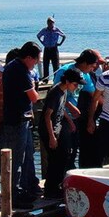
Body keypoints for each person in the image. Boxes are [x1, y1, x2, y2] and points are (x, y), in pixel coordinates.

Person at [2, 41, 43, 207]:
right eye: (35, 60)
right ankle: (14, 195)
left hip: (20, 117)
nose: (36, 63)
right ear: (28, 57)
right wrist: (34, 87)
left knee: (25, 155)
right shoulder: (20, 70)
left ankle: (22, 189)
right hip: (17, 119)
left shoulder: (13, 66)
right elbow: (34, 97)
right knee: (17, 158)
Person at [53, 49, 104, 168]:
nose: (93, 69)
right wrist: (70, 106)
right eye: (91, 66)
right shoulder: (64, 71)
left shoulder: (85, 75)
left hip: (75, 117)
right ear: (85, 63)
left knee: (74, 149)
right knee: (64, 151)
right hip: (62, 115)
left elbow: (95, 96)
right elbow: (56, 93)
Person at [39, 68, 85, 198]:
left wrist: (70, 121)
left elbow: (61, 107)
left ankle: (56, 186)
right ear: (67, 81)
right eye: (75, 84)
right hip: (48, 130)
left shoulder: (64, 91)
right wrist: (52, 137)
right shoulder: (55, 92)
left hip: (58, 128)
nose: (76, 88)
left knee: (64, 156)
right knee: (55, 160)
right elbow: (47, 115)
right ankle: (50, 189)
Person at [36, 17, 66, 81]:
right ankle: (46, 79)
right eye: (49, 22)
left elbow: (64, 36)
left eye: (52, 22)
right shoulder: (44, 30)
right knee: (45, 65)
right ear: (47, 23)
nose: (50, 24)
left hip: (54, 49)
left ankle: (56, 79)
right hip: (46, 49)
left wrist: (60, 43)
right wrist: (43, 42)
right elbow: (38, 36)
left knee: (56, 65)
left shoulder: (56, 30)